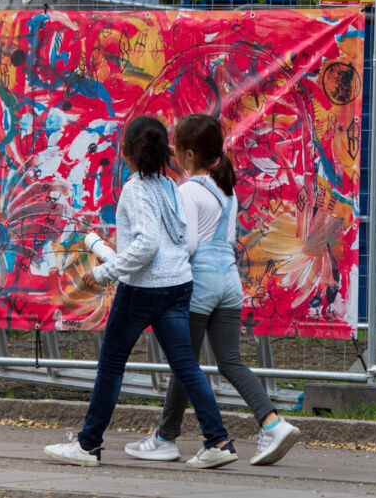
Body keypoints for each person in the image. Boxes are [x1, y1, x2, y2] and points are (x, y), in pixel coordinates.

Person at [44, 115, 238, 469]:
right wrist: (112, 256)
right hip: (177, 285)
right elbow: (171, 239)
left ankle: (88, 446)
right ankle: (218, 440)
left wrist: (102, 273)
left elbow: (147, 245)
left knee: (111, 365)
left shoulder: (135, 189)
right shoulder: (167, 184)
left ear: (124, 151)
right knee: (185, 365)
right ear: (165, 151)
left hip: (142, 290)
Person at [124, 113, 300, 467]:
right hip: (229, 282)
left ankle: (166, 438)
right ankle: (272, 423)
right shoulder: (226, 188)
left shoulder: (188, 190)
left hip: (200, 282)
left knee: (183, 361)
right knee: (229, 361)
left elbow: (187, 244)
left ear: (188, 154)